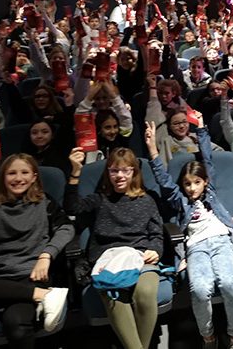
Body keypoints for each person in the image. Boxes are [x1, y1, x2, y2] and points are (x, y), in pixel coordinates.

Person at [145, 119, 233, 349]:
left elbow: (207, 158)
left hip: (221, 241)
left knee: (229, 284)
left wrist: (201, 129)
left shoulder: (211, 194)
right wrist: (151, 149)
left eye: (197, 182)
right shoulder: (181, 200)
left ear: (205, 182)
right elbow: (163, 180)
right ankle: (208, 336)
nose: (192, 188)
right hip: (196, 246)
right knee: (200, 290)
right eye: (187, 184)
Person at [64, 146, 164, 349]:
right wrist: (75, 172)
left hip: (139, 256)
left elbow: (157, 234)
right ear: (107, 173)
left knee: (145, 293)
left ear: (134, 172)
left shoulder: (146, 200)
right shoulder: (100, 199)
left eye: (125, 170)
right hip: (107, 258)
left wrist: (155, 249)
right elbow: (72, 207)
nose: (119, 175)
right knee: (114, 294)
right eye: (114, 170)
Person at [0, 154, 73, 348]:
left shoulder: (45, 203)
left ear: (33, 177)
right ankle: (43, 296)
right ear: (3, 177)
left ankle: (39, 292)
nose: (18, 178)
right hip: (0, 276)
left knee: (16, 324)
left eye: (24, 172)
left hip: (32, 275)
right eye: (11, 173)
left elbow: (66, 228)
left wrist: (46, 255)